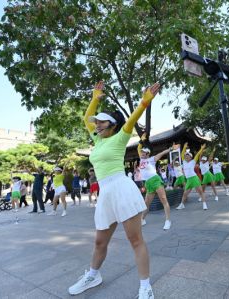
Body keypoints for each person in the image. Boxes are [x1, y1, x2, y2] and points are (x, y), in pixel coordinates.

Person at [68, 81, 160, 298]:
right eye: (97, 122)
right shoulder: (96, 140)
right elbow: (85, 118)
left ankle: (146, 287)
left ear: (112, 125)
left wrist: (144, 102)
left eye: (102, 122)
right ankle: (93, 275)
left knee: (135, 240)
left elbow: (131, 121)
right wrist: (95, 98)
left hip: (121, 189)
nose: (97, 125)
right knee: (100, 241)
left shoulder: (120, 137)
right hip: (105, 193)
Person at [138, 134, 176, 230]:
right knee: (146, 204)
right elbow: (138, 147)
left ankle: (168, 221)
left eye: (144, 153)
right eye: (142, 152)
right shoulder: (140, 159)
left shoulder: (152, 159)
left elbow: (163, 152)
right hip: (148, 183)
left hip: (155, 180)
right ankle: (142, 219)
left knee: (163, 199)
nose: (142, 153)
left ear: (148, 154)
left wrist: (171, 149)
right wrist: (141, 140)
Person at [175, 143, 208, 210]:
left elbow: (198, 154)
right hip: (188, 180)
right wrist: (184, 147)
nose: (186, 157)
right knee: (185, 193)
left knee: (200, 192)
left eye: (188, 156)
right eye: (185, 156)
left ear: (191, 157)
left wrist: (201, 149)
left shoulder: (193, 161)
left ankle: (204, 204)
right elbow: (182, 154)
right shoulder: (184, 161)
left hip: (194, 178)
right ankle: (182, 205)